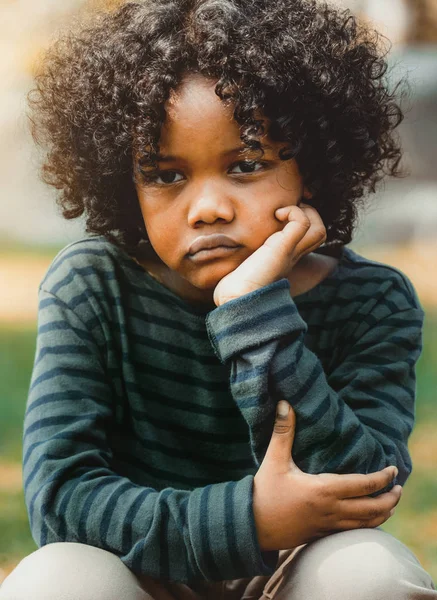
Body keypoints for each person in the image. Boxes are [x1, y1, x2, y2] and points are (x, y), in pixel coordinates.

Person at [1, 0, 436, 598]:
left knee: (371, 572)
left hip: (292, 579)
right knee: (55, 581)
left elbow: (363, 486)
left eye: (245, 164)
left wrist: (252, 310)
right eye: (165, 174)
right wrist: (249, 519)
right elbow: (61, 503)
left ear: (311, 165)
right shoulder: (92, 286)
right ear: (124, 182)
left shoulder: (372, 300)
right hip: (139, 579)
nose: (207, 207)